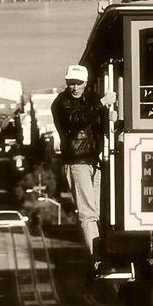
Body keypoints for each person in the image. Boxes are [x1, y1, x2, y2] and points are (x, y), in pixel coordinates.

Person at [51, 65, 116, 289]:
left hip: (94, 162)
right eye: (70, 82)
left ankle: (97, 261)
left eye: (78, 83)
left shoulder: (91, 99)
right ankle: (97, 261)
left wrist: (110, 114)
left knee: (97, 213)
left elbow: (98, 123)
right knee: (88, 214)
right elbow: (75, 121)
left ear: (86, 83)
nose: (74, 86)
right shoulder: (61, 102)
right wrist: (101, 105)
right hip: (76, 162)